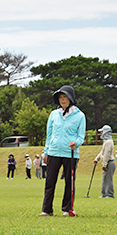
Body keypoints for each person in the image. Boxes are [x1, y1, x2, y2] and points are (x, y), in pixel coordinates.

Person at [40, 85, 86, 217]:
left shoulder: (80, 116)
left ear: (71, 98)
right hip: (54, 152)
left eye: (65, 97)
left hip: (70, 153)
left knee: (69, 182)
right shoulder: (54, 114)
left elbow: (81, 136)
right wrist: (46, 151)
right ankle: (47, 209)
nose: (62, 100)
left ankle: (67, 208)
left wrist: (75, 143)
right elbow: (49, 134)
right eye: (60, 97)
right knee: (50, 181)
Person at [94, 125, 115, 198]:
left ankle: (109, 194)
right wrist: (97, 158)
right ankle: (104, 193)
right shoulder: (106, 141)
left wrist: (104, 165)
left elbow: (107, 154)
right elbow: (102, 152)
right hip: (106, 163)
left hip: (109, 162)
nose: (101, 133)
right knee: (104, 178)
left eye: (102, 131)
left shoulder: (109, 142)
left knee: (108, 179)